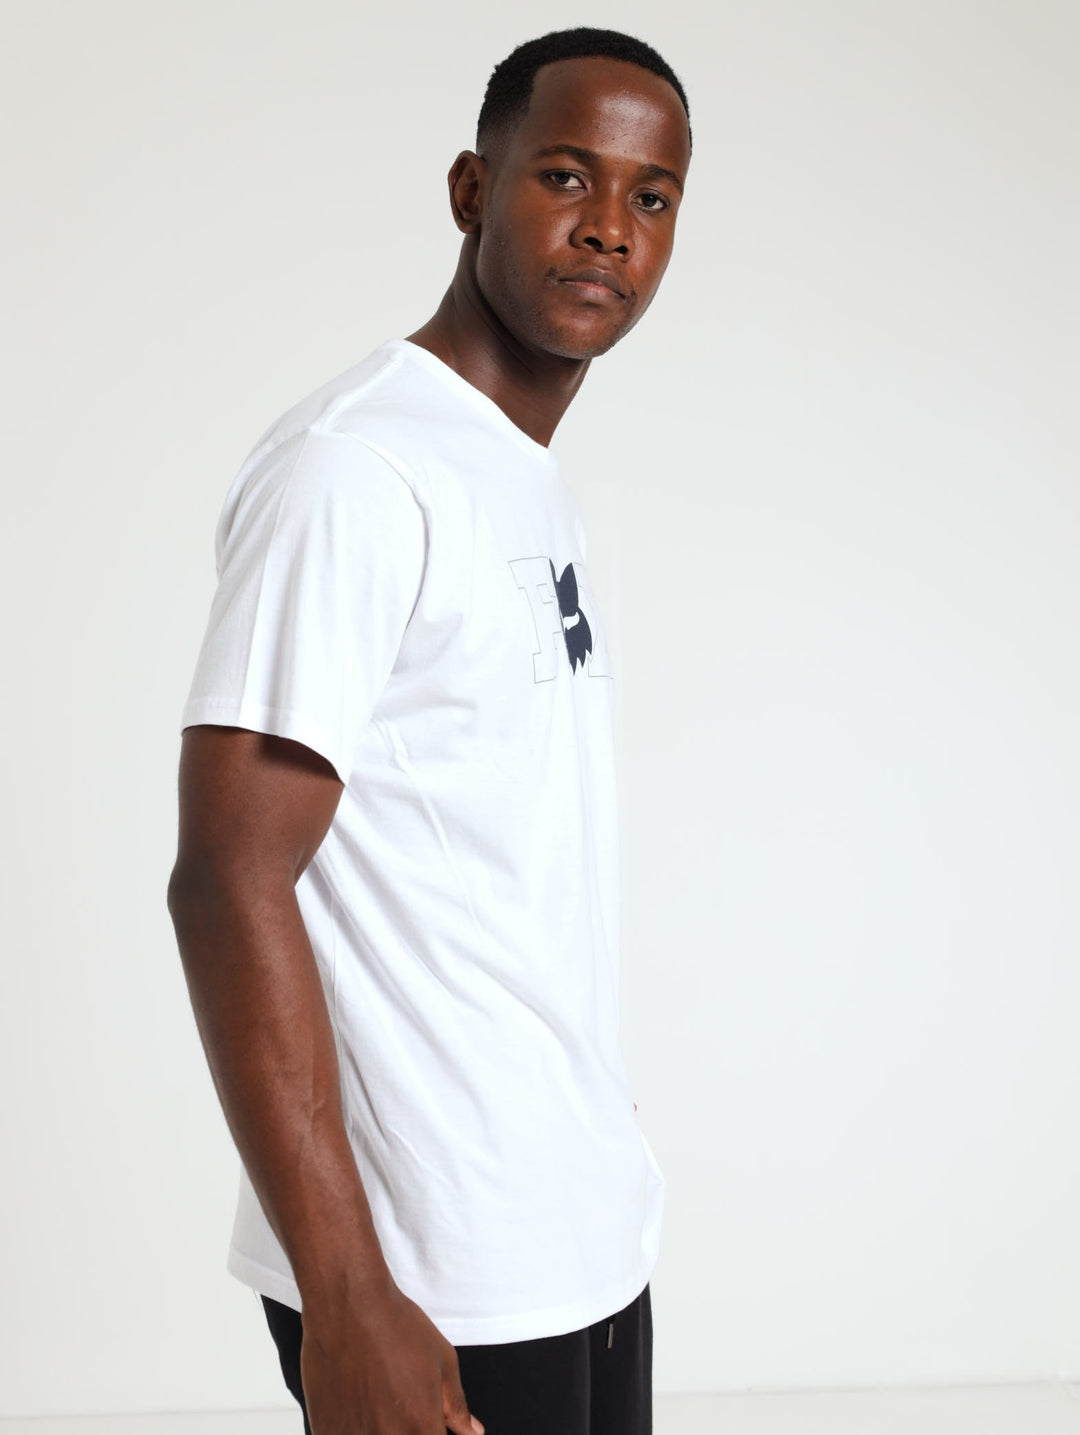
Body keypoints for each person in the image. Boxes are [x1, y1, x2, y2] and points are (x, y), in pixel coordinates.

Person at [167, 25, 692, 1435]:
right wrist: (346, 1291)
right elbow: (228, 877)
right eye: (567, 176)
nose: (610, 227)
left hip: (575, 1231)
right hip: (429, 1271)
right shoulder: (355, 468)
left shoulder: (517, 473)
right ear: (471, 189)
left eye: (650, 197)